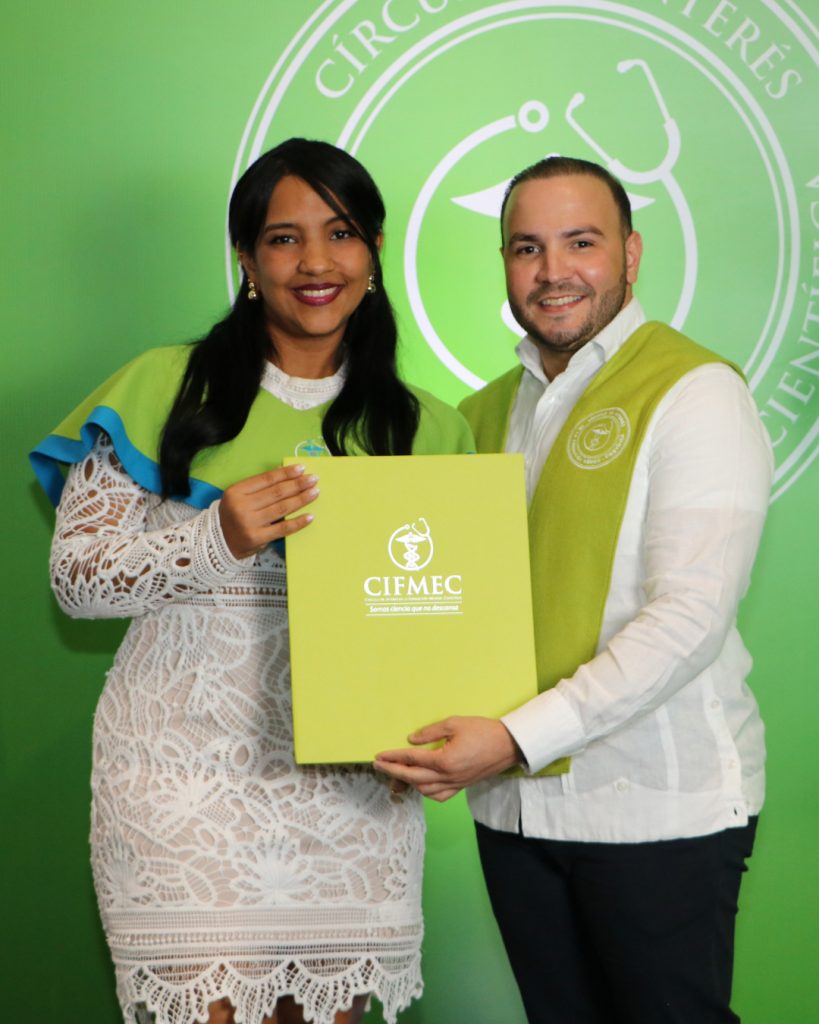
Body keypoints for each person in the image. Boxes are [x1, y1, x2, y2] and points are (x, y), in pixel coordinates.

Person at [31, 138, 473, 1024]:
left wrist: (423, 737)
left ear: (375, 250)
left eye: (340, 233)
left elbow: (437, 626)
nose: (315, 262)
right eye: (282, 238)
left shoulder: (429, 429)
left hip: (350, 796)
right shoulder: (161, 385)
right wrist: (216, 536)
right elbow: (76, 580)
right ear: (244, 257)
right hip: (180, 782)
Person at [374, 156, 772, 1024]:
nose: (552, 271)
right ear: (505, 265)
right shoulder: (478, 416)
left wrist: (515, 737)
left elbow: (689, 618)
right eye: (527, 248)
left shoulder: (695, 392)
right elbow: (441, 599)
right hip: (514, 816)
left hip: (656, 811)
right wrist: (401, 725)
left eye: (580, 242)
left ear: (630, 253)